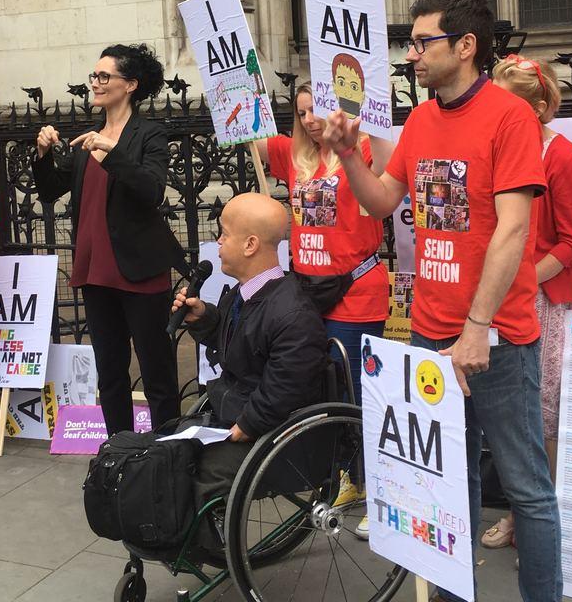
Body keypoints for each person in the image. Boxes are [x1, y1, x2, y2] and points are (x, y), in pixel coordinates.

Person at [322, 0, 561, 602]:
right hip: (429, 335)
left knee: (528, 489)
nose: (412, 55)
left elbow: (514, 230)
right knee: (451, 487)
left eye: (423, 42)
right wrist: (350, 154)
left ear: (465, 46)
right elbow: (383, 202)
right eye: (411, 43)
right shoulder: (422, 120)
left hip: (497, 339)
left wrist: (478, 325)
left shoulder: (510, 119)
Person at [33, 43, 184, 435]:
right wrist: (43, 154)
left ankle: (167, 452)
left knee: (157, 373)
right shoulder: (90, 137)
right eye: (94, 76)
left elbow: (151, 190)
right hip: (96, 270)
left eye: (104, 77)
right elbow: (50, 191)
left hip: (139, 269)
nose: (96, 84)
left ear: (130, 84)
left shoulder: (149, 134)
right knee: (111, 374)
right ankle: (118, 451)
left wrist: (112, 152)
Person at [255, 82, 392, 512]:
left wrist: (371, 101)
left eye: (317, 109)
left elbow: (391, 175)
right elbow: (248, 131)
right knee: (322, 390)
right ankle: (338, 474)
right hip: (308, 291)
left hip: (356, 291)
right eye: (301, 113)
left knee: (352, 393)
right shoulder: (292, 154)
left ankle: (369, 484)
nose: (310, 120)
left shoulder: (362, 150)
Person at [172, 193, 328, 542]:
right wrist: (205, 318)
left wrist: (247, 424)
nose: (218, 242)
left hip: (270, 437)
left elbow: (287, 386)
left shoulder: (293, 313)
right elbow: (243, 346)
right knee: (165, 450)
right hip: (232, 412)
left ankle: (194, 544)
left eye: (224, 234)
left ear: (250, 244)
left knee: (184, 474)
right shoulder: (246, 293)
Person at [480, 55, 572, 550]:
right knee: (505, 414)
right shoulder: (496, 147)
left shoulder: (564, 157)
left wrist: (518, 275)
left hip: (541, 297)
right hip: (501, 293)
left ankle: (537, 523)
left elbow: (571, 242)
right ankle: (519, 514)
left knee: (541, 415)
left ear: (539, 106)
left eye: (509, 103)